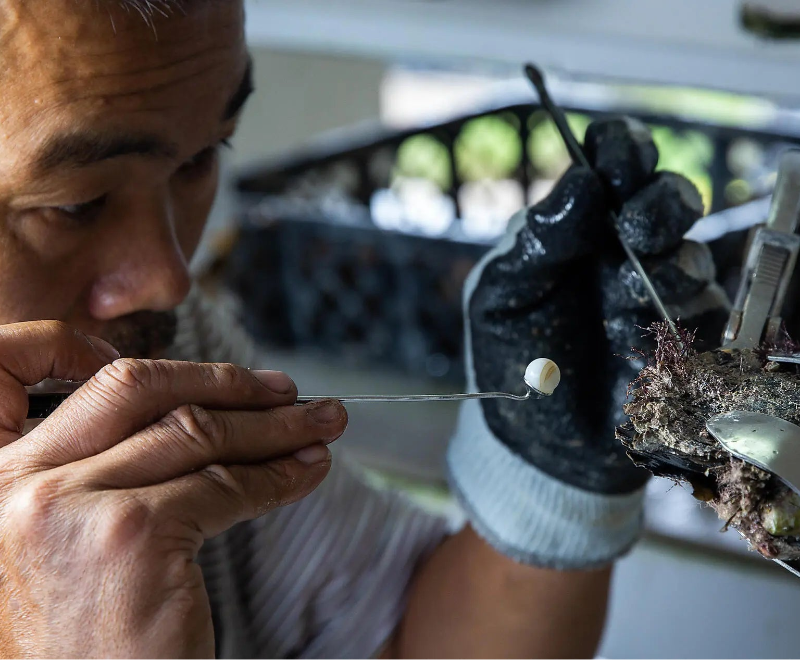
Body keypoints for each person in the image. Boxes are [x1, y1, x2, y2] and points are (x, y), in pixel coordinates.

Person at [0, 1, 730, 658]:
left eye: (200, 159)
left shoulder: (147, 353)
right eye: (76, 204)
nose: (169, 278)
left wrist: (547, 483)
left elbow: (411, 643)